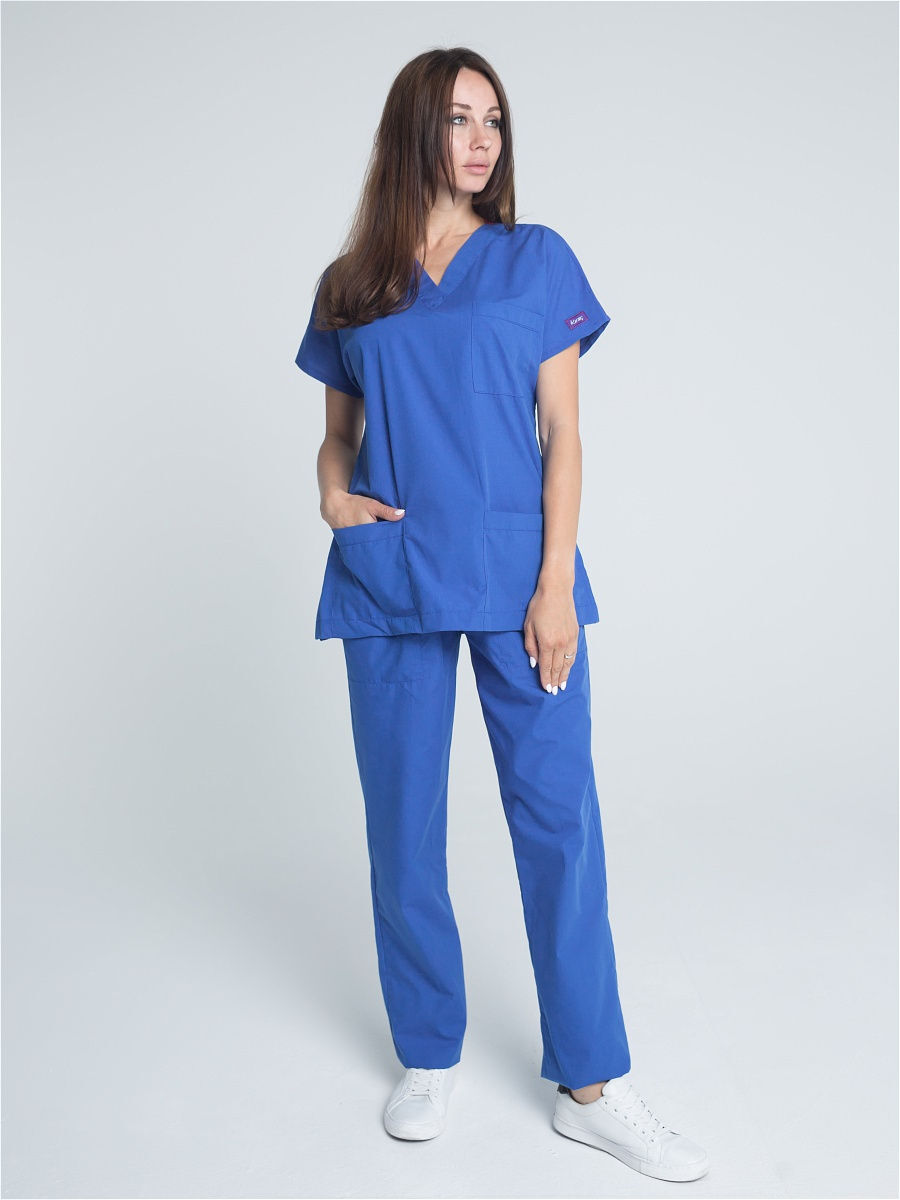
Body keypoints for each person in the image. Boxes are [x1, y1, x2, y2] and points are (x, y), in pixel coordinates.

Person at [293, 46, 709, 1184]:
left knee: (557, 821)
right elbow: (336, 437)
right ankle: (428, 1053)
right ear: (413, 131)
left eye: (493, 120)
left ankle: (592, 1084)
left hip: (521, 578)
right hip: (390, 579)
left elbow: (563, 432)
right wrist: (332, 496)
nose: (481, 140)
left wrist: (554, 580)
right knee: (403, 828)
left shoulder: (535, 259)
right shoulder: (352, 281)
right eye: (458, 119)